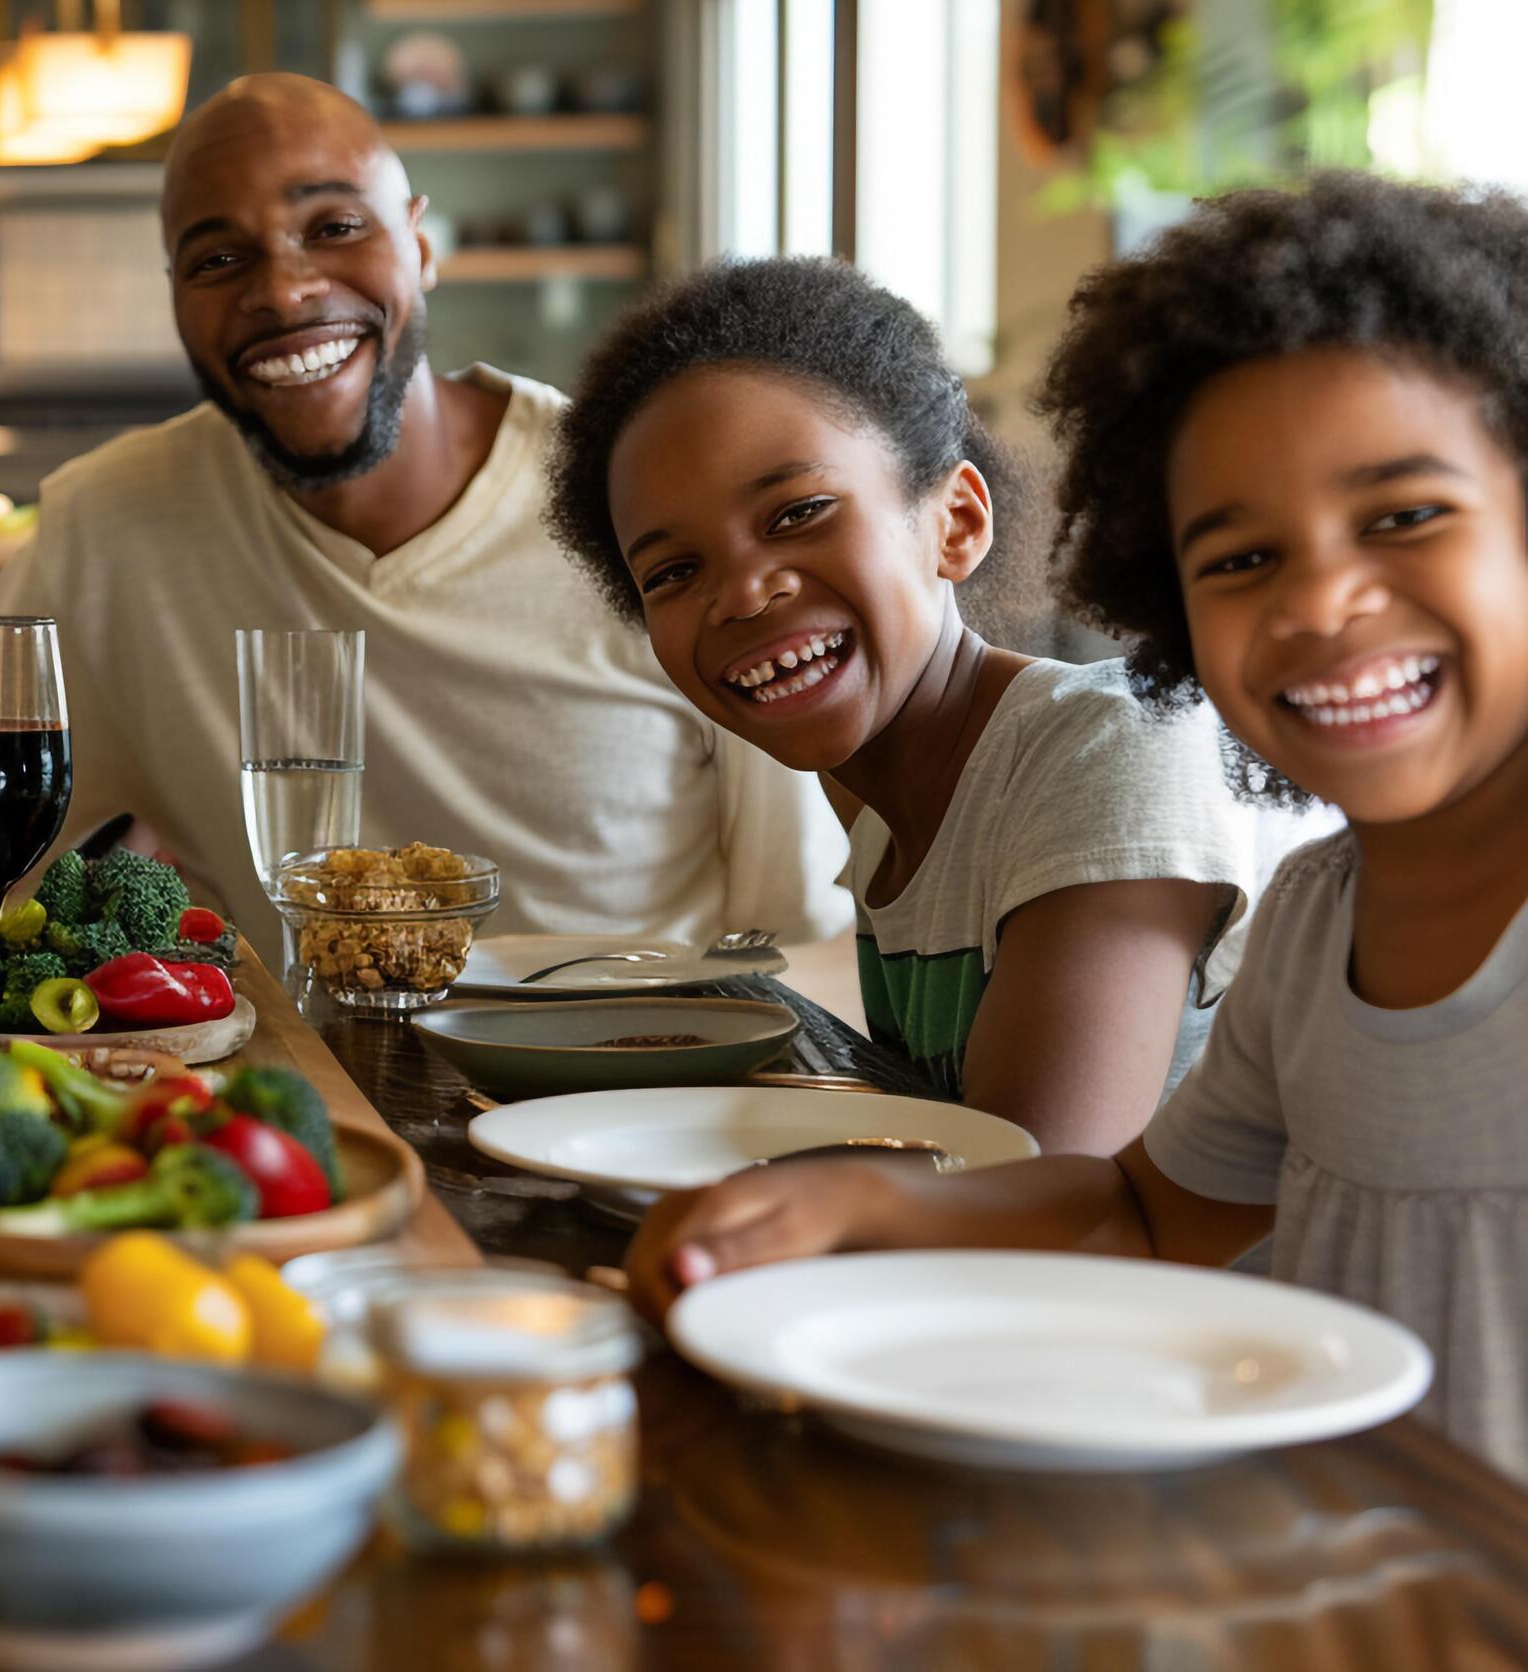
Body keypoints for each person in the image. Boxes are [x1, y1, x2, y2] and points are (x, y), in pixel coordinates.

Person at [623, 175, 1528, 1479]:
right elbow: (1147, 1209)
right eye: (1240, 558)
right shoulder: (1324, 922)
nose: (1322, 602)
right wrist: (866, 1197)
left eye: (1403, 517)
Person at [0, 73, 848, 950]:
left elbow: (791, 926)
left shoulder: (651, 507)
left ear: (422, 247)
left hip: (632, 1113)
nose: (286, 288)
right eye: (220, 259)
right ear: (176, 297)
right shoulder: (113, 528)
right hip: (299, 1137)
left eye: (334, 226)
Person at [548, 260, 1312, 1152]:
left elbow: (1021, 1190)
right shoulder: (884, 811)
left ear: (954, 523)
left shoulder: (1113, 751)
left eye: (799, 513)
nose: (744, 595)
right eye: (674, 572)